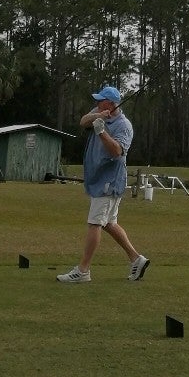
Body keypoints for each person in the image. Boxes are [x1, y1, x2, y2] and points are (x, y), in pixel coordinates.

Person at [56, 85, 149, 284]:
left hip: (109, 180)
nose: (96, 104)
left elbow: (117, 151)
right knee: (108, 223)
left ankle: (83, 271)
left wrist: (101, 131)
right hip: (98, 178)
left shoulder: (124, 125)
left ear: (110, 103)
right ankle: (136, 259)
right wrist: (97, 118)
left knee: (95, 223)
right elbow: (83, 121)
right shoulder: (98, 112)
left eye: (100, 101)